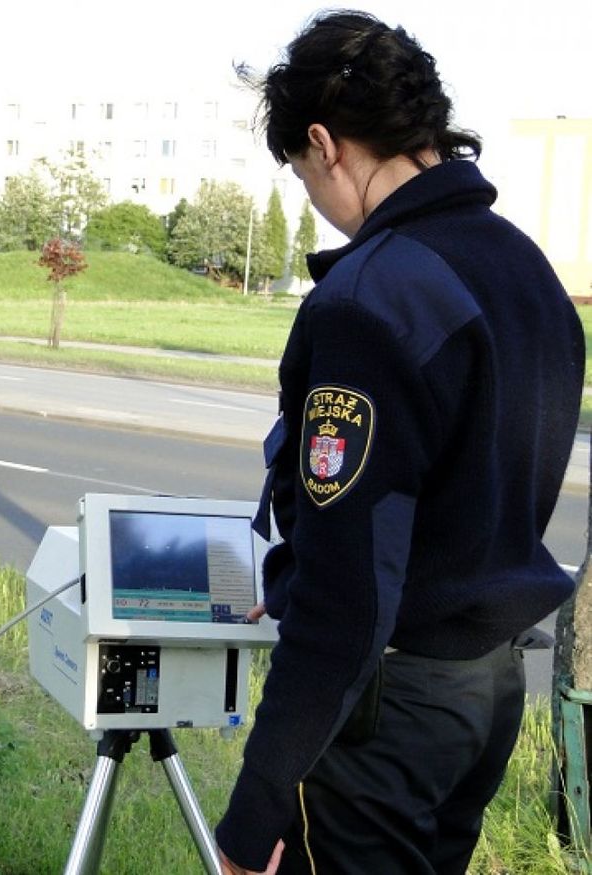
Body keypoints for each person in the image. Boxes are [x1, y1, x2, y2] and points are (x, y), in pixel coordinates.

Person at [214, 11, 585, 875]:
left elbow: (351, 596)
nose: (311, 194)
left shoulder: (370, 301)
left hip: (386, 707)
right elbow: (467, 491)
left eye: (302, 171)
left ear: (324, 142)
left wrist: (258, 802)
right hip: (483, 696)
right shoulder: (526, 272)